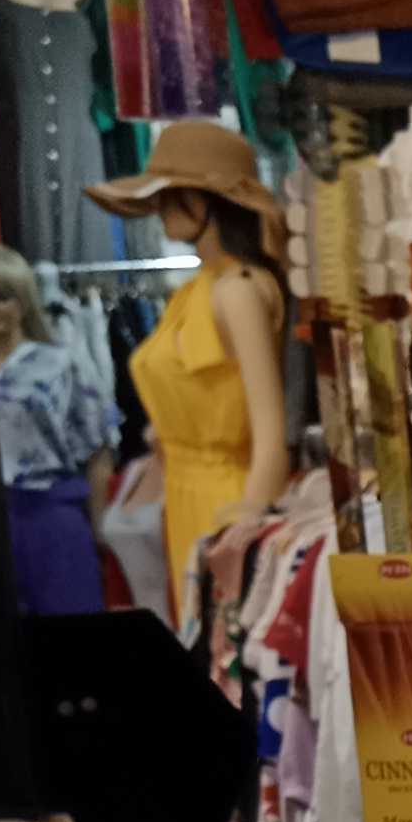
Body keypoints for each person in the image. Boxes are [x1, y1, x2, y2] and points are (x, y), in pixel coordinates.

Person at [81, 119, 290, 624]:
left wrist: (245, 528)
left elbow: (270, 435)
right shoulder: (198, 290)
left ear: (208, 199)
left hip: (227, 499)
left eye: (173, 194)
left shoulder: (237, 290)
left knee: (227, 645)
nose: (160, 207)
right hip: (184, 497)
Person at [0, 241, 113, 616]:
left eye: (3, 297)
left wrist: (100, 526)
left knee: (71, 626)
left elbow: (98, 449)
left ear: (23, 302)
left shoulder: (59, 364)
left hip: (51, 516)